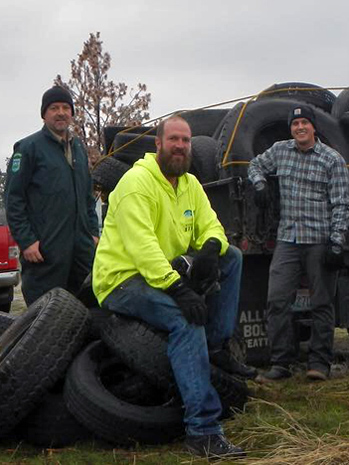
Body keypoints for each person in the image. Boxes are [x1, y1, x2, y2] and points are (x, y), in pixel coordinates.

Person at [92, 116, 249, 458]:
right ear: (158, 144)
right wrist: (178, 290)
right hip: (124, 279)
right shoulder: (136, 183)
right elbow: (142, 247)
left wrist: (209, 249)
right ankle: (202, 431)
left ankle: (215, 348)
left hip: (163, 272)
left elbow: (213, 226)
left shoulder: (190, 184)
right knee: (185, 319)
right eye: (174, 139)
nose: (180, 146)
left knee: (232, 257)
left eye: (186, 140)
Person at [248, 104, 349, 383]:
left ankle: (319, 363)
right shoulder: (281, 151)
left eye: (305, 123)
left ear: (314, 127)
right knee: (277, 300)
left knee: (322, 304)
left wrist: (337, 242)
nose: (300, 128)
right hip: (288, 239)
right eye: (295, 124)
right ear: (291, 129)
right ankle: (281, 362)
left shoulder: (332, 160)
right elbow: (255, 164)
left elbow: (342, 203)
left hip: (320, 240)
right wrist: (259, 184)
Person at [5, 85, 99, 305]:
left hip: (81, 253)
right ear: (44, 114)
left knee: (87, 314)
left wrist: (92, 233)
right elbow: (13, 199)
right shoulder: (28, 148)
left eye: (66, 107)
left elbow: (87, 196)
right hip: (44, 254)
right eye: (54, 108)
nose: (61, 112)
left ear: (72, 113)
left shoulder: (78, 149)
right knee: (45, 319)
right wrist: (27, 242)